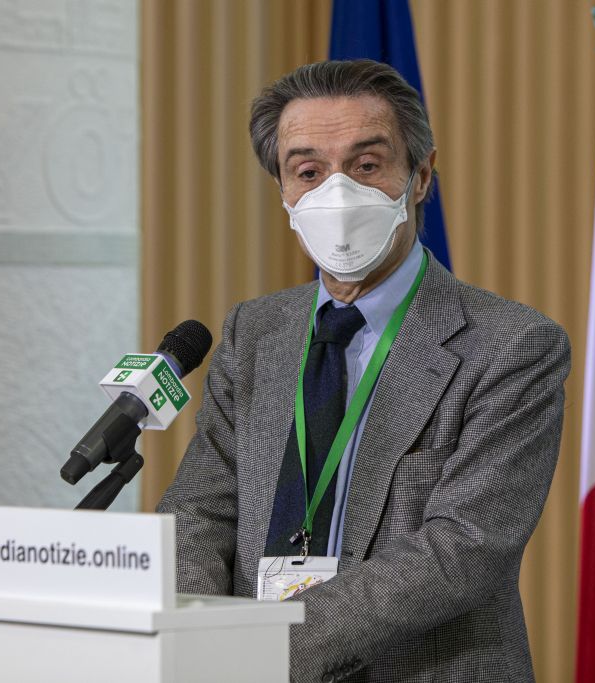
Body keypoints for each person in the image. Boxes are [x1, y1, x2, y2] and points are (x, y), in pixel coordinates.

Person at [157, 59, 570, 683]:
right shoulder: (254, 332)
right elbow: (199, 509)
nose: (337, 192)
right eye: (309, 172)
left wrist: (263, 649)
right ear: (284, 192)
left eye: (367, 165)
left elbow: (462, 550)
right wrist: (197, 644)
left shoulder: (513, 344)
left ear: (420, 176)